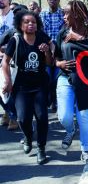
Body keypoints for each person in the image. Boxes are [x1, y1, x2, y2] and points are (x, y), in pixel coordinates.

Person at [2, 11, 52, 164]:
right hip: (21, 86)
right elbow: (5, 62)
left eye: (33, 22)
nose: (31, 24)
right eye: (27, 22)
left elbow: (49, 63)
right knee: (23, 118)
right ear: (20, 25)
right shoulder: (15, 40)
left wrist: (47, 52)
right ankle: (28, 137)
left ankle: (41, 149)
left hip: (40, 85)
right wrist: (8, 81)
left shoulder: (42, 37)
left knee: (42, 117)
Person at [55, 0, 88, 163]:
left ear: (77, 14)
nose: (64, 17)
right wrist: (60, 64)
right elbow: (56, 59)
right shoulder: (62, 33)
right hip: (65, 79)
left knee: (84, 117)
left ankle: (85, 149)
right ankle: (70, 129)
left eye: (67, 13)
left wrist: (77, 38)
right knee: (64, 117)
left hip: (85, 81)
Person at [40, 0, 64, 112]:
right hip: (46, 51)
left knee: (57, 77)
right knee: (47, 77)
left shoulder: (63, 14)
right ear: (47, 0)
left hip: (60, 51)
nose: (52, 1)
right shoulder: (42, 14)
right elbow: (40, 32)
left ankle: (55, 101)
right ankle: (49, 100)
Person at [0, 0, 18, 130]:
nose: (0, 0)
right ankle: (8, 112)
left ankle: (13, 117)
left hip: (11, 57)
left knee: (8, 87)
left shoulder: (15, 18)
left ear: (9, 0)